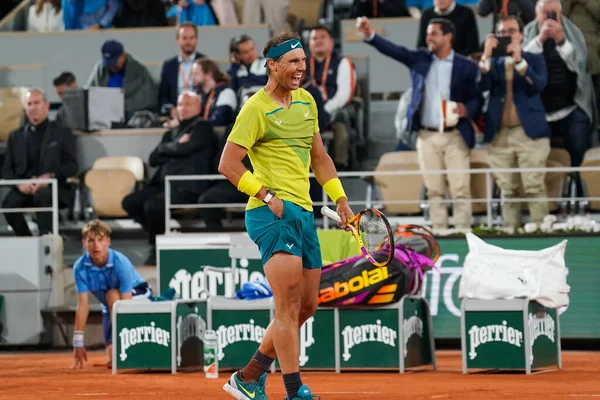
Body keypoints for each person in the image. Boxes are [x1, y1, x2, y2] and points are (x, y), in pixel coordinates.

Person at [219, 31, 354, 400]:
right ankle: (295, 391)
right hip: (270, 212)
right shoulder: (255, 108)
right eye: (293, 62)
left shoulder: (308, 102)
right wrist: (264, 194)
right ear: (272, 65)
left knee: (307, 305)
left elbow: (320, 158)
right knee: (288, 305)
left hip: (303, 212)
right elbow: (228, 164)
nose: (301, 69)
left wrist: (339, 198)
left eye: (304, 62)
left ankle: (249, 376)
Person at [357, 16, 480, 231]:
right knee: (434, 190)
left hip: (456, 135)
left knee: (461, 189)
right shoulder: (420, 59)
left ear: (448, 36)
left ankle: (464, 236)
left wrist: (466, 109)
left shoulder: (466, 66)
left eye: (434, 33)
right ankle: (440, 235)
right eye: (427, 33)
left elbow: (477, 99)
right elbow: (394, 51)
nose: (428, 38)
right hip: (427, 136)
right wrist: (370, 35)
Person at [122, 91, 219, 264]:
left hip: (187, 187)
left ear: (199, 107)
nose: (183, 108)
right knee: (130, 202)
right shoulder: (171, 132)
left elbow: (185, 149)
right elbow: (153, 158)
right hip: (162, 186)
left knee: (153, 206)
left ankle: (156, 247)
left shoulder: (203, 128)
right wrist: (174, 147)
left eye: (188, 104)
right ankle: (159, 237)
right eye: (180, 104)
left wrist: (170, 149)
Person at [479, 15, 550, 229]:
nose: (506, 36)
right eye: (502, 32)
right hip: (499, 135)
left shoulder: (534, 58)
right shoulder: (491, 63)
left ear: (521, 34)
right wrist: (485, 55)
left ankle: (542, 234)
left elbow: (539, 85)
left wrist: (520, 61)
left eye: (511, 31)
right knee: (507, 190)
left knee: (534, 187)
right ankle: (511, 235)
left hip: (529, 134)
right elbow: (479, 88)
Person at [71, 219, 152, 369]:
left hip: (139, 296)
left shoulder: (120, 262)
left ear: (108, 241)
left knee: (112, 295)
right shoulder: (80, 267)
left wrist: (125, 342)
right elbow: (83, 306)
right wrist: (78, 343)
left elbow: (126, 303)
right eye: (91, 240)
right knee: (114, 358)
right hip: (110, 307)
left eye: (100, 240)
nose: (96, 246)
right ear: (84, 243)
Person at [1, 89, 78, 236]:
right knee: (8, 204)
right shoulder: (15, 137)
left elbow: (72, 167)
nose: (33, 107)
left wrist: (49, 177)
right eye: (29, 104)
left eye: (37, 103)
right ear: (25, 108)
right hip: (25, 187)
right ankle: (27, 240)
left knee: (43, 196)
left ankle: (45, 241)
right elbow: (7, 171)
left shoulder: (62, 133)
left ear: (47, 105)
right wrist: (19, 184)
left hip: (53, 187)